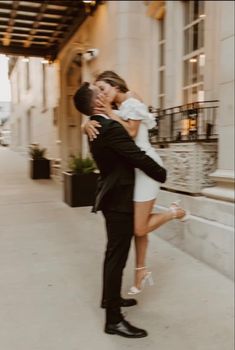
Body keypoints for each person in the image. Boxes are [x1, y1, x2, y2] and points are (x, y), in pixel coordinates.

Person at [73, 81, 168, 338]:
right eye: (99, 92)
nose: (103, 93)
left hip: (112, 195)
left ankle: (110, 300)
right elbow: (136, 156)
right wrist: (161, 173)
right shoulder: (108, 127)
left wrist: (87, 122)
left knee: (113, 255)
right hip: (118, 200)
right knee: (116, 258)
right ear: (96, 104)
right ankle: (113, 320)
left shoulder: (97, 126)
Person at [83, 71, 187, 295]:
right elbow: (104, 123)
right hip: (134, 171)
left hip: (147, 167)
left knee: (139, 227)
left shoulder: (132, 100)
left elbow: (130, 131)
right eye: (98, 91)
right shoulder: (116, 109)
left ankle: (174, 212)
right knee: (139, 229)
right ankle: (141, 270)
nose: (100, 95)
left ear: (115, 85)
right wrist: (87, 123)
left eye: (103, 88)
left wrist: (109, 112)